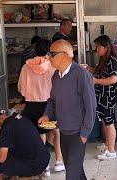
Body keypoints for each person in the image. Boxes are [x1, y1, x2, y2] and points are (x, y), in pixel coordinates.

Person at [39, 40, 96, 180]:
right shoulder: (56, 76)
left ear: (65, 55)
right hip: (63, 131)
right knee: (75, 170)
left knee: (72, 174)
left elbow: (91, 105)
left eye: (52, 54)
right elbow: (52, 101)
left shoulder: (81, 74)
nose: (48, 57)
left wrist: (85, 133)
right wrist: (47, 115)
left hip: (78, 133)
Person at [18, 39, 65, 176]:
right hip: (49, 107)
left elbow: (21, 89)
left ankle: (44, 166)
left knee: (40, 134)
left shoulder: (26, 67)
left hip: (31, 107)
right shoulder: (52, 66)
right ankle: (59, 162)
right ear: (49, 51)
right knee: (55, 132)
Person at [0, 106, 50, 180]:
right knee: (9, 152)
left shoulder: (6, 127)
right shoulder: (16, 117)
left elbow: (1, 159)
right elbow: (15, 134)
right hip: (43, 157)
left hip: (34, 164)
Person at [91, 35, 117, 160]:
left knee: (109, 123)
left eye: (98, 46)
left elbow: (112, 79)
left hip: (109, 97)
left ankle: (111, 151)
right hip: (103, 97)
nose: (97, 49)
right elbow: (103, 74)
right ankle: (107, 145)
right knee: (105, 121)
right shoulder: (104, 60)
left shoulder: (112, 61)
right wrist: (90, 69)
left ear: (106, 47)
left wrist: (95, 81)